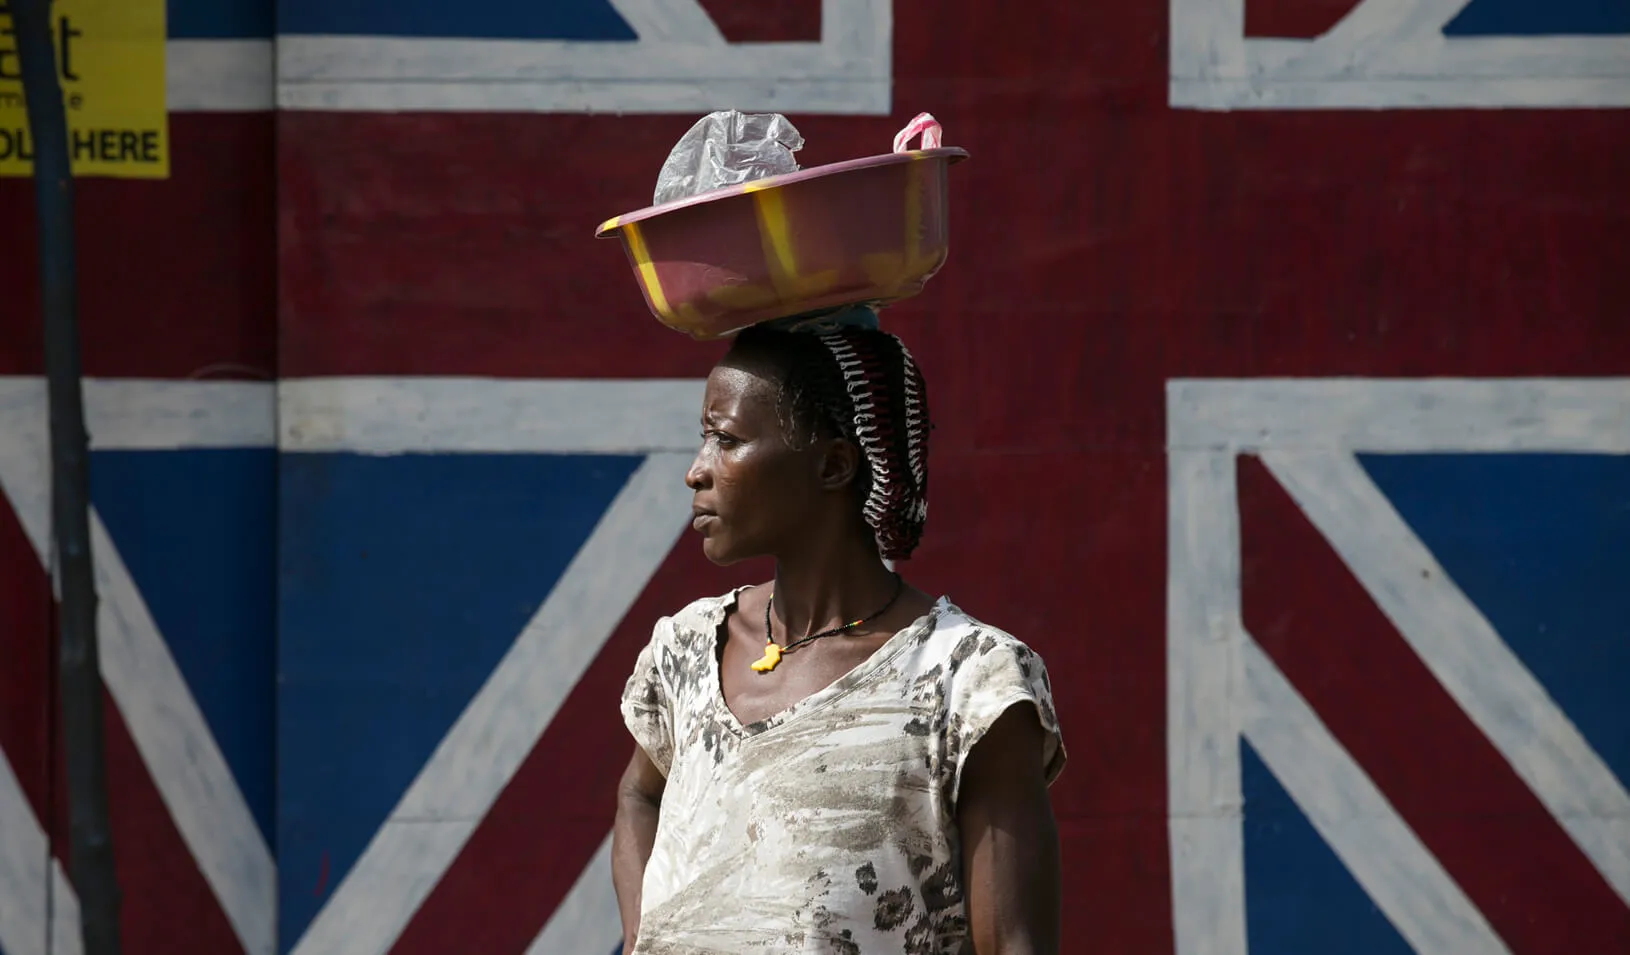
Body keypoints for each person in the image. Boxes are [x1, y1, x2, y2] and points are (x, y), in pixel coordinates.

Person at [613, 312, 1067, 955]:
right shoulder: (687, 647)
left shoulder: (967, 680)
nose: (697, 470)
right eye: (703, 438)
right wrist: (644, 937)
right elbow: (639, 792)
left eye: (728, 440)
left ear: (832, 464)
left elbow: (1015, 944)